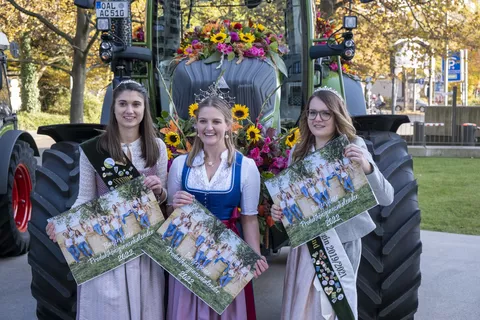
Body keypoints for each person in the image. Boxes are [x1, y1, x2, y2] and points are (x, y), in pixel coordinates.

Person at [46, 80, 168, 320]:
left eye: (136, 104)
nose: (129, 110)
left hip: (144, 244)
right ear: (113, 109)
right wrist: (65, 224)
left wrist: (159, 190)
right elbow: (85, 197)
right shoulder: (94, 148)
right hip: (108, 243)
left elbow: (164, 199)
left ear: (144, 109)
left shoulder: (158, 147)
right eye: (123, 104)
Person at [270, 88, 394, 320]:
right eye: (312, 113)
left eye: (326, 113)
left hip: (343, 243)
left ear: (338, 115)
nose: (318, 119)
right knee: (305, 306)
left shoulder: (353, 145)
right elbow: (290, 203)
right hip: (308, 246)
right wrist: (279, 211)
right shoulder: (298, 152)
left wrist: (367, 167)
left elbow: (387, 197)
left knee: (335, 307)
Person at [167, 96, 268, 320]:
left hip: (228, 252)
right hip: (188, 249)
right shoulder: (179, 165)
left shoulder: (246, 166)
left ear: (228, 125)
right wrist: (175, 206)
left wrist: (255, 256)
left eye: (216, 121)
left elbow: (249, 218)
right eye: (203, 121)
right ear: (195, 125)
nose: (209, 127)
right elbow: (169, 215)